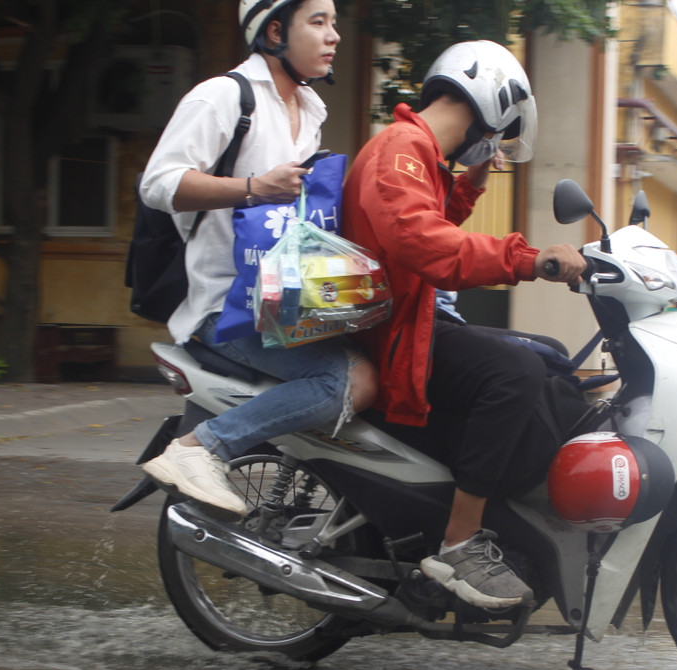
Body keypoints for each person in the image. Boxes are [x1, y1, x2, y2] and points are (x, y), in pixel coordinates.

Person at [342, 41, 587, 610]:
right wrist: (529, 259)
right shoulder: (402, 148)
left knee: (548, 357)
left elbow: (422, 226)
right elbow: (425, 245)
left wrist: (470, 183)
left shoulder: (418, 152)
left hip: (409, 320)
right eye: (500, 133)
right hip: (396, 333)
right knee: (516, 370)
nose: (495, 144)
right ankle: (460, 543)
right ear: (491, 104)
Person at [138, 0, 376, 520]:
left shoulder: (310, 108)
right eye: (317, 22)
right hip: (225, 306)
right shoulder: (225, 96)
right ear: (274, 31)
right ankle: (202, 448)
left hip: (284, 301)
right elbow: (158, 184)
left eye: (334, 23)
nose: (333, 35)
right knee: (344, 382)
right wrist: (253, 188)